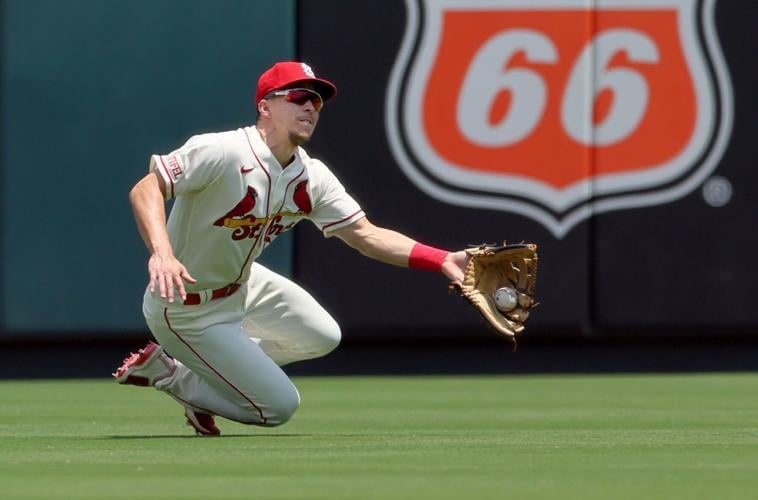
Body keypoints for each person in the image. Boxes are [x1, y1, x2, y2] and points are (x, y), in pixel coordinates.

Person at [113, 61, 469, 436]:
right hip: (185, 307)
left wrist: (442, 259)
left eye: (317, 101)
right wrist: (162, 253)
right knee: (278, 407)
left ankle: (212, 382)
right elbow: (146, 188)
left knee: (321, 335)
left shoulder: (311, 176)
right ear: (265, 106)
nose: (311, 107)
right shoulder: (223, 151)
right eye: (299, 96)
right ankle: (168, 374)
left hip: (243, 285)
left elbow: (366, 235)